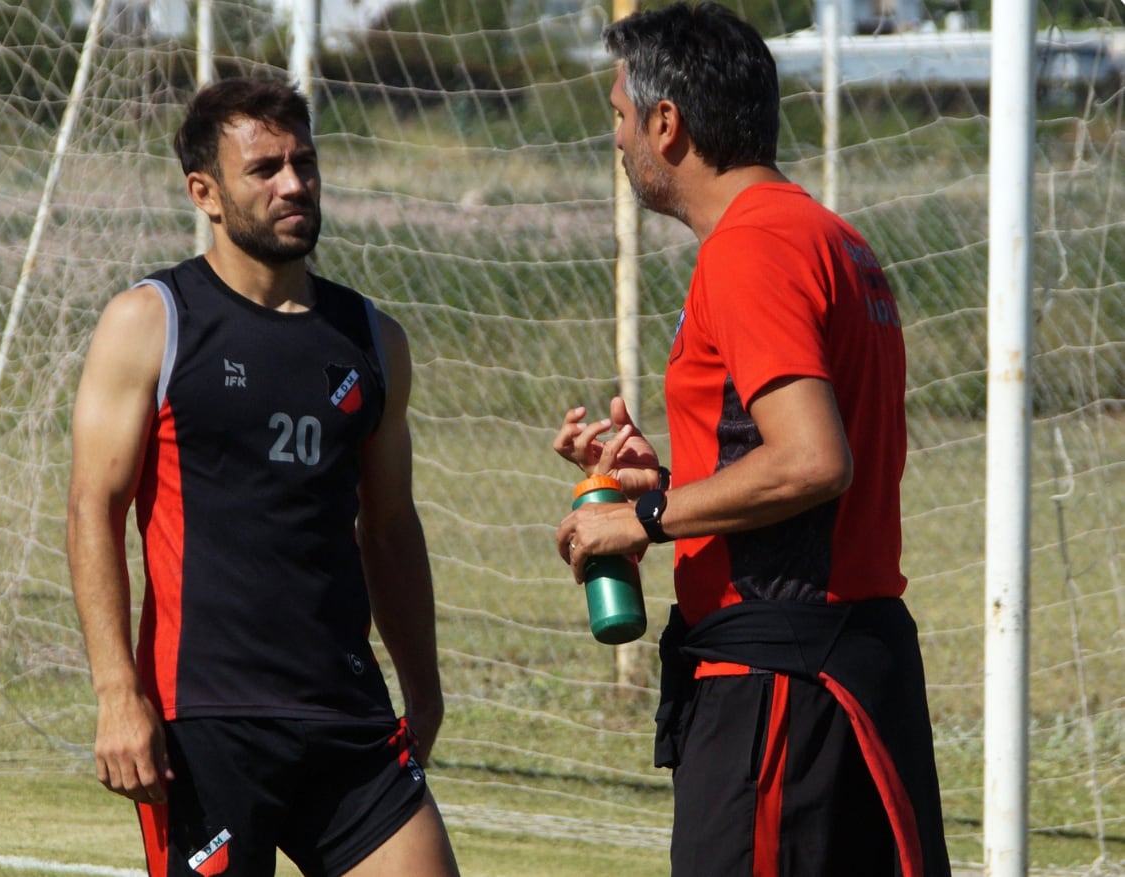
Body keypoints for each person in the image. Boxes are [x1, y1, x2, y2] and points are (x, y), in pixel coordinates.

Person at [552, 4, 951, 876]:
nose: (615, 138)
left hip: (782, 684)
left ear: (668, 124)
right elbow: (782, 453)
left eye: (620, 115)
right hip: (848, 671)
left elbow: (812, 460)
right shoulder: (830, 236)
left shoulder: (752, 249)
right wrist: (672, 476)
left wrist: (646, 516)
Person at [67, 75, 460, 877]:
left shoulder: (373, 339)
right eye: (266, 169)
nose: (294, 185)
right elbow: (92, 510)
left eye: (304, 163)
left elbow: (387, 525)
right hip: (206, 724)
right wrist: (117, 692)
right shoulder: (151, 322)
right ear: (204, 193)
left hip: (347, 715)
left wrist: (423, 685)